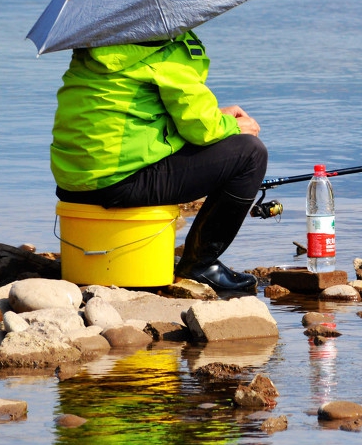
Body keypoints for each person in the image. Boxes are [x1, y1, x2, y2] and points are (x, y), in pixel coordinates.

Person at [50, 29, 266, 291]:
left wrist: (217, 115)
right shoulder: (165, 52)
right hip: (120, 184)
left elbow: (129, 117)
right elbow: (201, 130)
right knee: (250, 153)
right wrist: (235, 127)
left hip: (75, 186)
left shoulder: (93, 47)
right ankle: (201, 264)